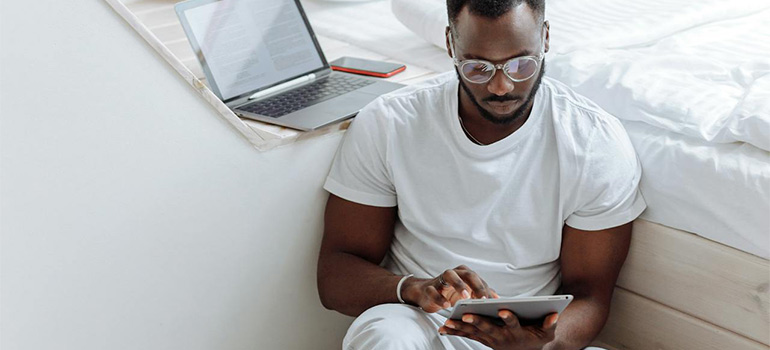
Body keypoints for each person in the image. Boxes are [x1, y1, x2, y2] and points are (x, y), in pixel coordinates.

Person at [316, 0, 647, 348]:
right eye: (478, 68)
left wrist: (539, 344)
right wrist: (414, 289)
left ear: (545, 38)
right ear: (450, 44)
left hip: (528, 337)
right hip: (418, 322)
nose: (501, 87)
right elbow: (335, 276)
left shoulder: (593, 142)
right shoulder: (390, 123)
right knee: (385, 336)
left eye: (521, 64)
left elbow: (591, 297)